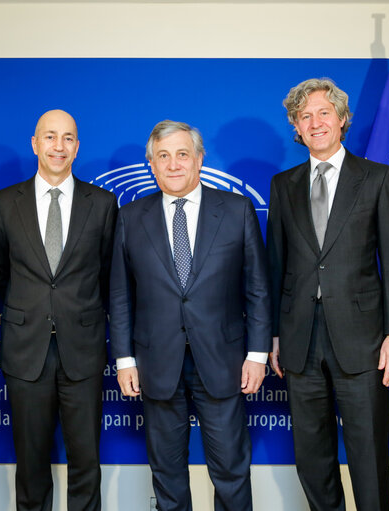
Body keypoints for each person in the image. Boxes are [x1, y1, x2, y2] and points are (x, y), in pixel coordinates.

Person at [109, 120, 271, 511]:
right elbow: (120, 295)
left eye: (182, 154)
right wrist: (125, 360)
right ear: (151, 164)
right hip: (156, 364)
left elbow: (258, 288)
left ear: (200, 159)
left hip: (224, 361)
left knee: (231, 469)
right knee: (166, 472)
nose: (174, 164)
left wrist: (258, 354)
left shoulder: (236, 210)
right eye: (163, 156)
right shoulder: (130, 217)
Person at [267, 78, 389, 511]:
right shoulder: (283, 184)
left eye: (324, 113)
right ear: (296, 125)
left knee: (368, 458)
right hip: (299, 341)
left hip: (364, 340)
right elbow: (277, 266)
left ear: (343, 120)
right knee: (312, 459)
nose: (315, 122)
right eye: (305, 116)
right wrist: (274, 336)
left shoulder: (378, 178)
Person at [0, 109, 117, 511]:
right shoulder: (5, 201)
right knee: (30, 462)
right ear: (35, 143)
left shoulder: (103, 203)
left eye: (67, 138)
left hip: (83, 349)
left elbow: (109, 274)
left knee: (86, 461)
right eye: (49, 137)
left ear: (77, 147)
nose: (58, 146)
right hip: (26, 350)